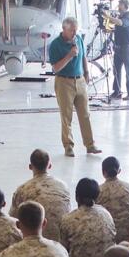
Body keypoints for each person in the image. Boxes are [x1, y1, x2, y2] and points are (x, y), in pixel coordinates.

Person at [48, 17, 101, 157]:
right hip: (64, 82)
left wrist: (86, 72)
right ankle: (68, 146)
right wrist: (70, 55)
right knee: (66, 117)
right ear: (64, 29)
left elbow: (83, 56)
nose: (74, 33)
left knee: (85, 114)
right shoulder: (55, 45)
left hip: (80, 81)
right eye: (71, 30)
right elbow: (55, 68)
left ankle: (90, 145)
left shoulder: (78, 39)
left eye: (75, 30)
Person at [58, 177, 116, 257]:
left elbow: (63, 251)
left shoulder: (68, 219)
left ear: (76, 197)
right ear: (97, 196)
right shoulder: (106, 215)